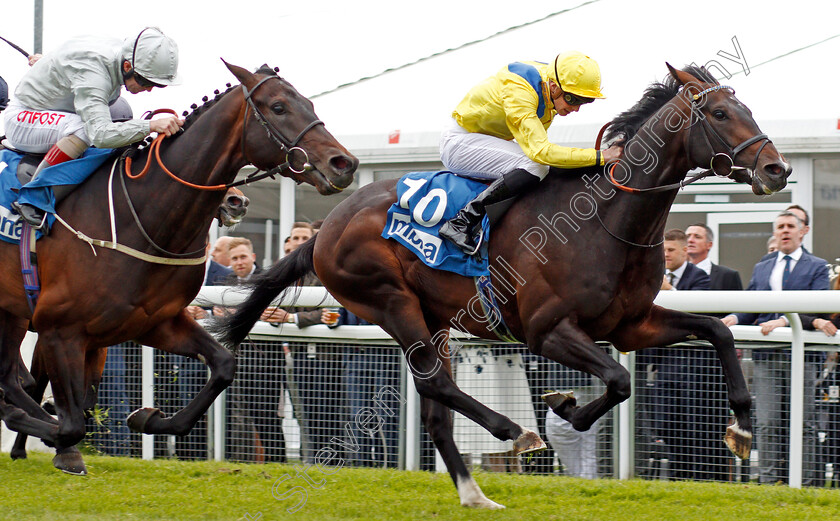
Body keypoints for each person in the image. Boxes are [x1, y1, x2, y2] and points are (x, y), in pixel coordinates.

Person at [437, 51, 622, 255]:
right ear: (554, 86)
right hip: (459, 143)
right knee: (536, 165)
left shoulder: (551, 84)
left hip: (484, 140)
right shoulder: (521, 90)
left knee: (542, 168)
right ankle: (462, 221)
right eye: (573, 99)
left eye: (585, 101)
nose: (576, 108)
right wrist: (601, 156)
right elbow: (540, 152)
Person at [3, 27, 184, 230]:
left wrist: (50, 66)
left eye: (158, 85)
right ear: (127, 65)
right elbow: (99, 134)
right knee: (84, 130)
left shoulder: (118, 53)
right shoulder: (94, 72)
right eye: (146, 81)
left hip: (50, 109)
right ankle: (33, 196)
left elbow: (71, 56)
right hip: (22, 118)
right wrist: (150, 125)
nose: (150, 89)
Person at [722, 211, 831, 485]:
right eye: (780, 226)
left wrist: (783, 320)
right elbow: (751, 305)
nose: (784, 231)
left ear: (803, 231)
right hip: (767, 354)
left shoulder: (817, 266)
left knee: (803, 423)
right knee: (768, 423)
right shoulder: (763, 266)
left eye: (790, 226)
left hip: (801, 357)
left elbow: (818, 308)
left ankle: (805, 484)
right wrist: (733, 319)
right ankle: (770, 484)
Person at [685, 223, 743, 291]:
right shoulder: (674, 274)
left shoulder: (727, 275)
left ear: (709, 245)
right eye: (687, 237)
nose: (690, 240)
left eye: (697, 237)